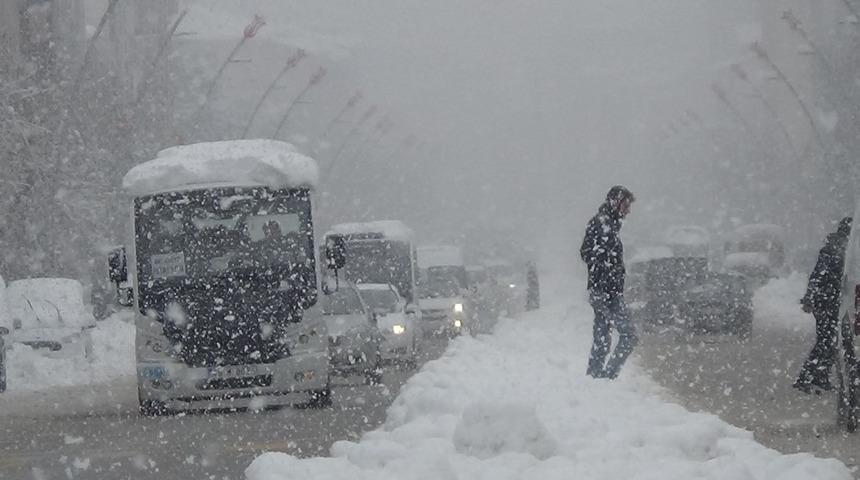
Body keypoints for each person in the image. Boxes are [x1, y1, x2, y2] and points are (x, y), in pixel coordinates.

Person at [580, 185, 637, 379]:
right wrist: (606, 270)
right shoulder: (602, 224)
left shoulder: (609, 223)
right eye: (626, 205)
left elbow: (589, 253)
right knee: (629, 336)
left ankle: (595, 378)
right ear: (615, 202)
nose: (628, 210)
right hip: (606, 292)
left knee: (602, 339)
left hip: (605, 291)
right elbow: (587, 253)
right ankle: (606, 378)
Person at [794, 216, 852, 394]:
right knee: (826, 341)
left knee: (829, 341)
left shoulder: (839, 249)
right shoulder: (833, 251)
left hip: (830, 301)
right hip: (825, 302)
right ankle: (806, 377)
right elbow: (818, 274)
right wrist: (810, 298)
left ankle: (820, 376)